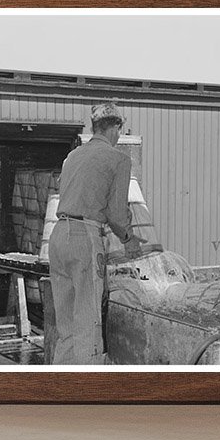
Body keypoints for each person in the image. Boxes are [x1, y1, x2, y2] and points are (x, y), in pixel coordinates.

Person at [48, 102, 141, 365]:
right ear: (115, 127)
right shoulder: (119, 159)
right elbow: (116, 215)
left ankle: (60, 390)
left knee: (66, 327)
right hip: (84, 239)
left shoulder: (73, 157)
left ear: (94, 127)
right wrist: (129, 240)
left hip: (58, 236)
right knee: (89, 323)